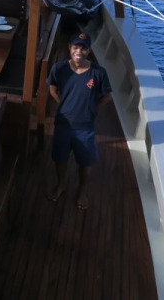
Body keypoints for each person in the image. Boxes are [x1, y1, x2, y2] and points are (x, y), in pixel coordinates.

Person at [46, 31, 112, 210]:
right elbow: (52, 88)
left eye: (83, 49)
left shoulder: (99, 72)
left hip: (85, 127)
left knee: (85, 161)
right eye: (75, 47)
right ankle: (61, 184)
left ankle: (82, 190)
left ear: (89, 51)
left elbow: (107, 96)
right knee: (60, 158)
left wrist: (92, 108)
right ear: (69, 48)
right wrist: (63, 103)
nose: (79, 52)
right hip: (63, 123)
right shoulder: (59, 68)